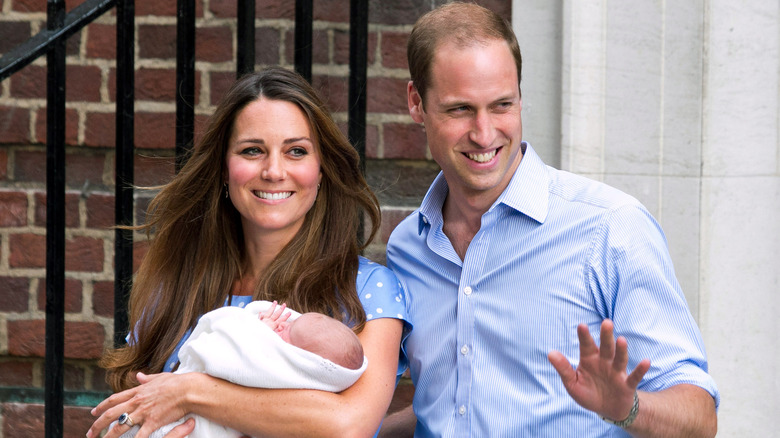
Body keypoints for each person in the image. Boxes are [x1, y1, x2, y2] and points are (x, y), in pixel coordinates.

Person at [383, 2, 719, 437]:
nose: (484, 134)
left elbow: (700, 418)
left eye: (502, 105)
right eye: (460, 109)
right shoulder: (409, 247)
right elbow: (441, 408)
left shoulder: (611, 228)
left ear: (521, 95)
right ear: (416, 102)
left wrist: (628, 408)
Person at [87, 66, 410, 438]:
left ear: (320, 170)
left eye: (296, 151)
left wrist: (190, 391)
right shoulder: (174, 287)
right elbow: (132, 412)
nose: (274, 171)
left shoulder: (367, 290)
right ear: (224, 168)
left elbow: (347, 424)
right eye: (252, 150)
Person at [117, 300, 368, 438]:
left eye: (289, 333)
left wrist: (253, 332)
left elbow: (231, 358)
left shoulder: (283, 372)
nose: (282, 326)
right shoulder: (176, 281)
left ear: (304, 361)